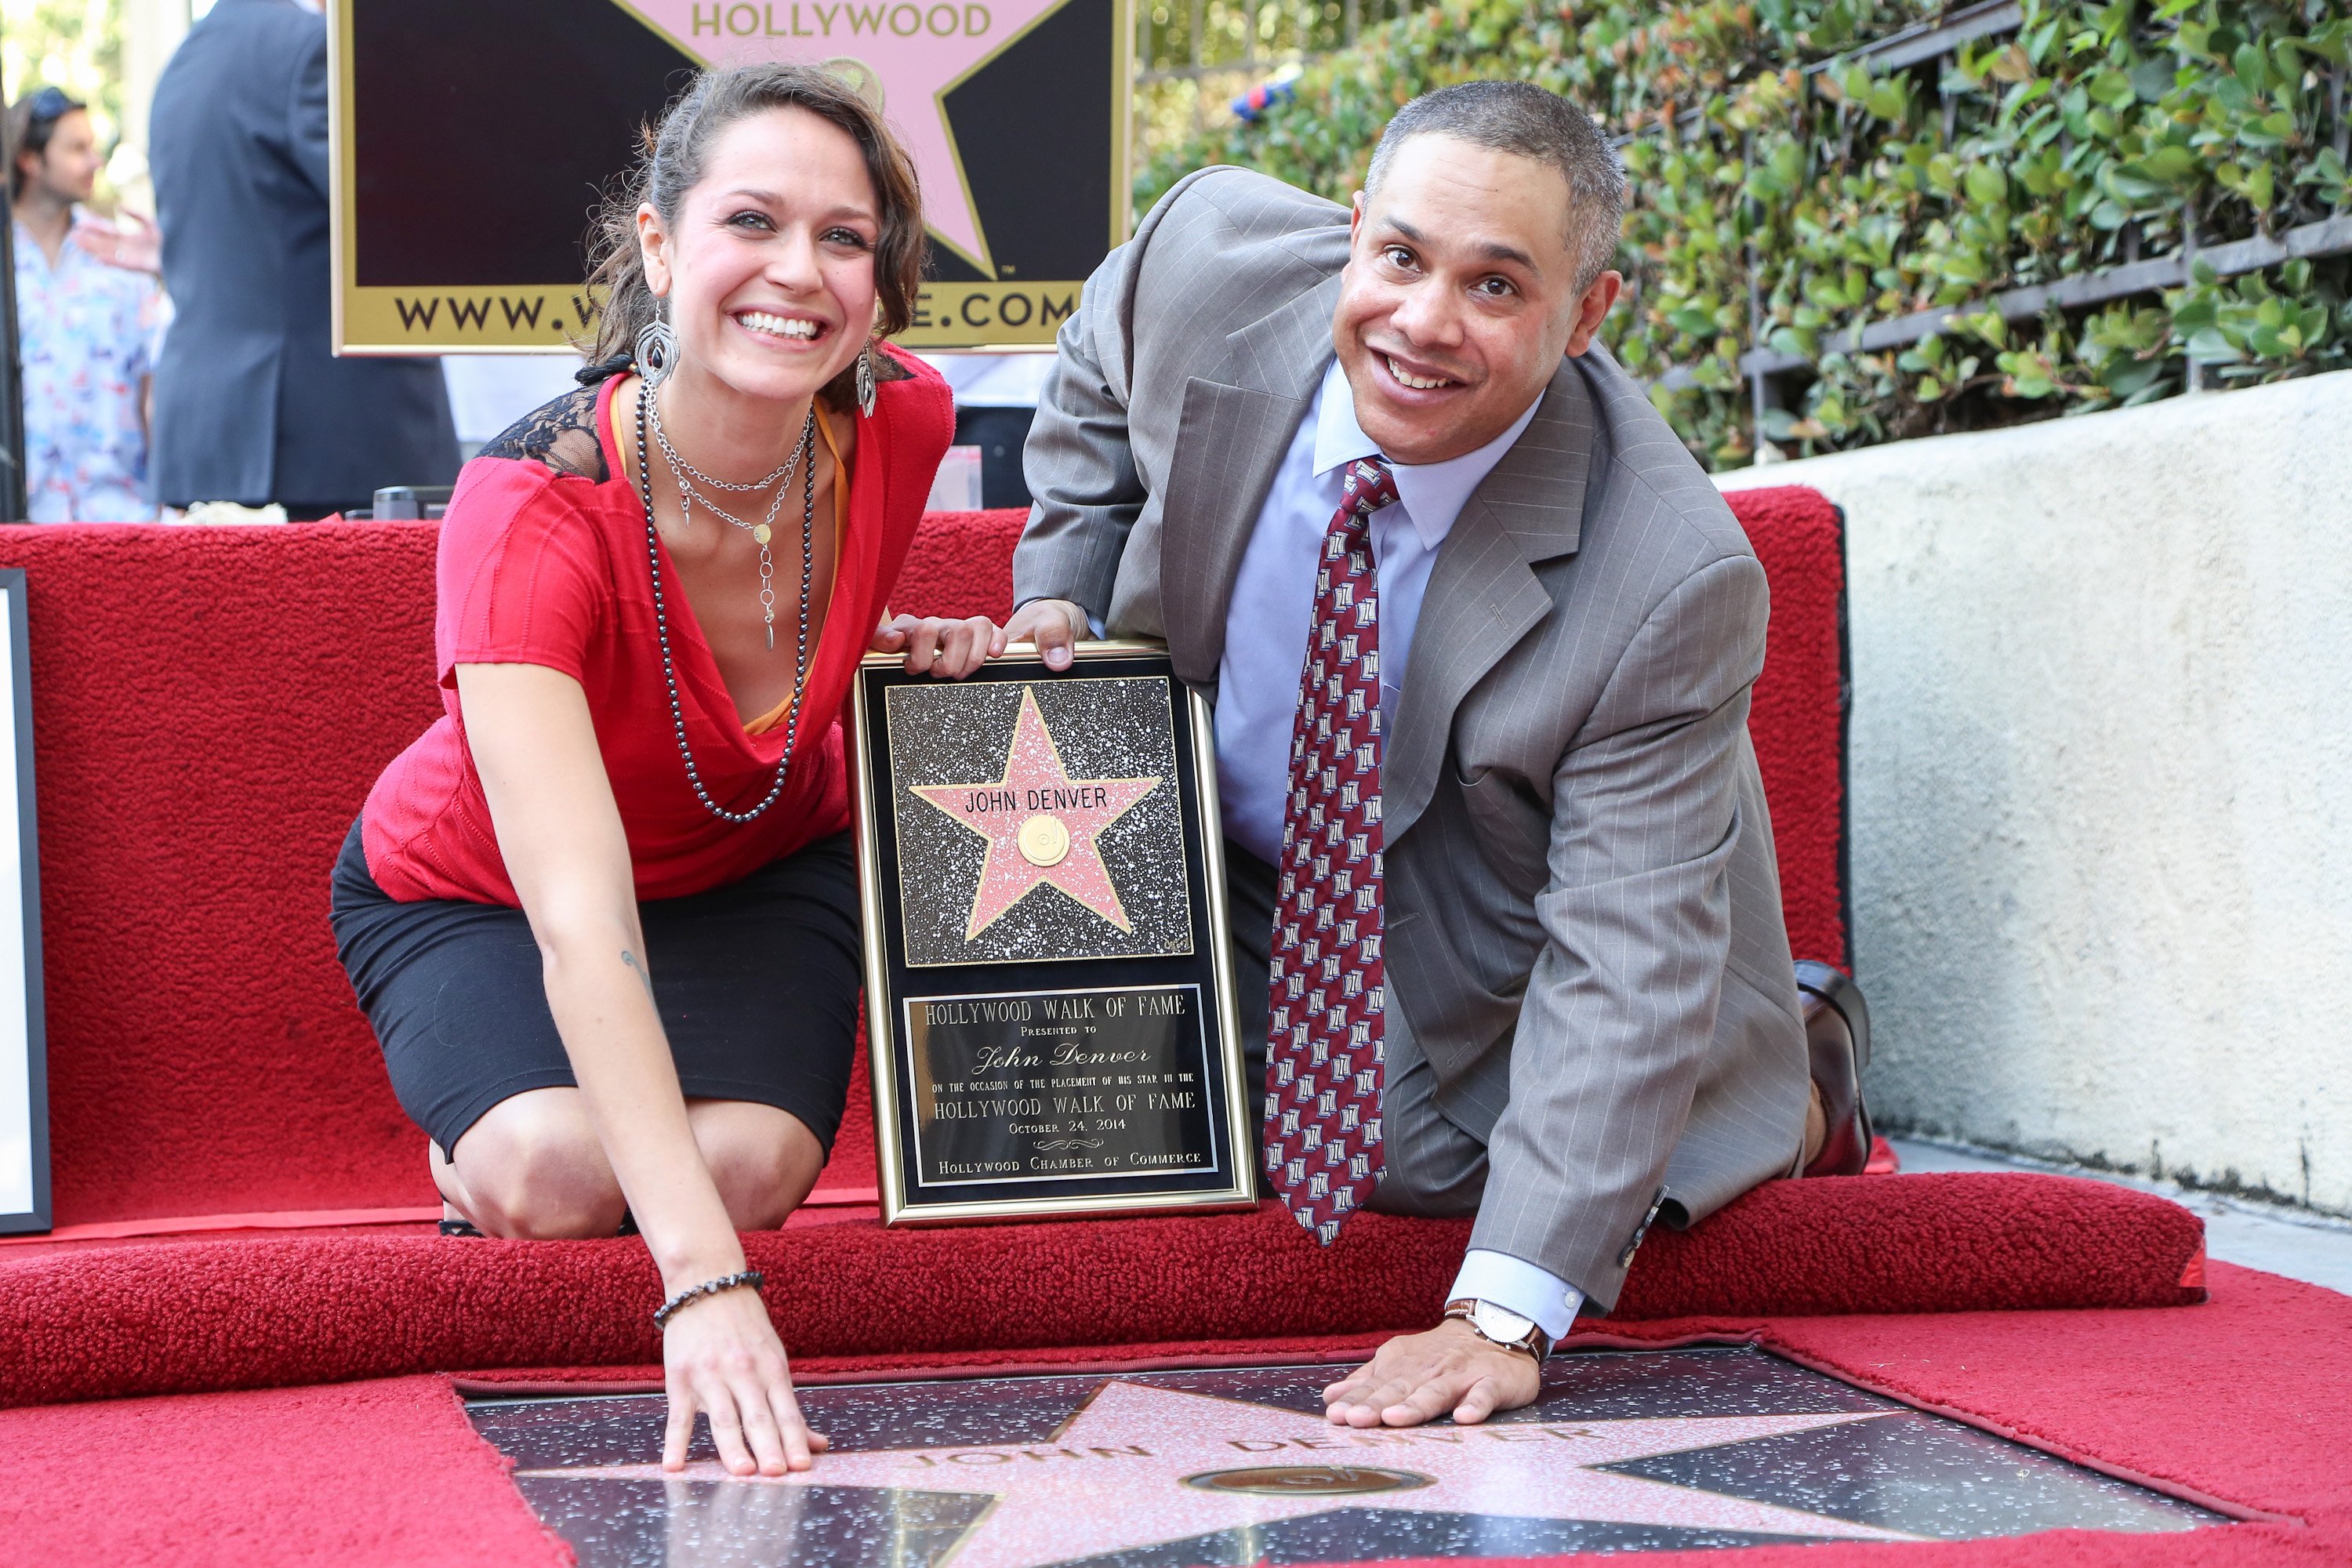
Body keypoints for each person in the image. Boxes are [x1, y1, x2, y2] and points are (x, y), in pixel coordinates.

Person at [1006, 82, 1873, 1430]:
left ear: (1589, 316)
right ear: (1355, 233)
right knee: (1110, 1098)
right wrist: (1061, 581)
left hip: (1481, 893)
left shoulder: (1670, 573)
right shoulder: (1209, 260)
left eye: (1496, 287)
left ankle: (1792, 1064)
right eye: (1402, 258)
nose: (1422, 322)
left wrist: (1502, 1313)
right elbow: (1091, 361)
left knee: (1385, 1160)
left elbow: (1625, 948)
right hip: (1228, 852)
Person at [331, 64, 1000, 1479]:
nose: (798, 274)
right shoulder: (528, 506)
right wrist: (702, 1285)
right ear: (657, 248)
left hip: (760, 860)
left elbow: (757, 631)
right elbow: (581, 918)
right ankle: (469, 1143)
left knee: (753, 1172)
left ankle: (639, 1143)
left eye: (843, 237)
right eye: (750, 221)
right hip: (489, 895)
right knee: (549, 1179)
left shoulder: (907, 423)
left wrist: (907, 639)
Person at [147, 0, 459, 517]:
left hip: (216, 432)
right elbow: (395, 211)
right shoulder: (312, 49)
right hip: (327, 433)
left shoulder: (185, 62)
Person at [9, 86, 159, 521]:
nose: (96, 161)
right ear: (30, 160)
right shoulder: (5, 262)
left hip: (121, 521)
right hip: (20, 527)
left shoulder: (119, 255)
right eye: (77, 148)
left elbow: (154, 389)